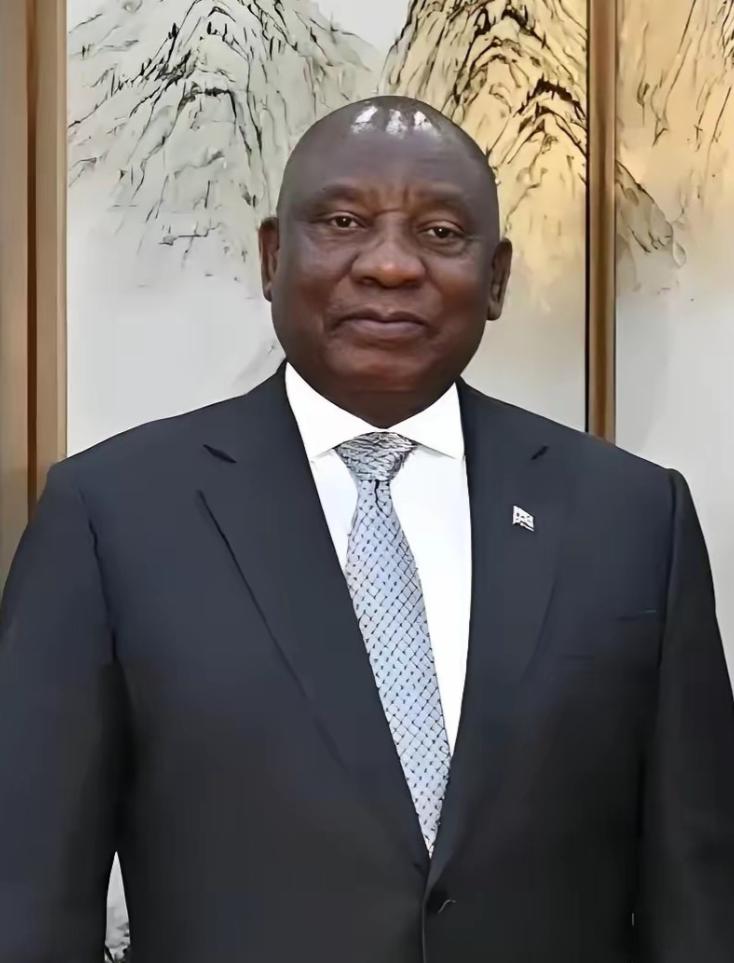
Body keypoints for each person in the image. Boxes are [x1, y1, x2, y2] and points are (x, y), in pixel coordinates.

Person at [1, 95, 733, 963]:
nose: (389, 265)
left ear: (496, 279)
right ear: (273, 256)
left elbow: (699, 896)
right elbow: (29, 893)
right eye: (344, 222)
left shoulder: (635, 518)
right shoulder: (110, 515)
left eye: (440, 233)